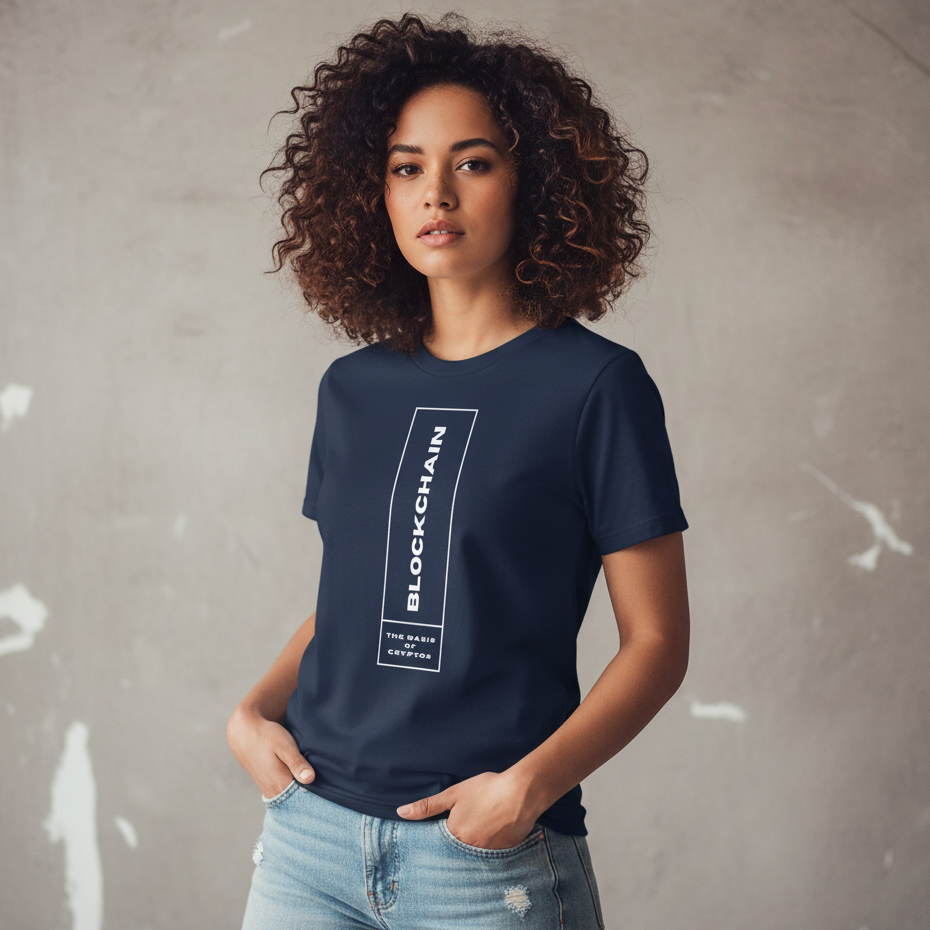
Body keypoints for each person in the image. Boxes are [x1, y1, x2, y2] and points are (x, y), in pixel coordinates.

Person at [227, 12, 690, 930]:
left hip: (483, 861)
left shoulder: (597, 387)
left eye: (472, 162)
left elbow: (657, 646)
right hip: (308, 842)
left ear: (535, 184)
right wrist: (251, 711)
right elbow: (356, 598)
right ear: (376, 194)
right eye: (406, 168)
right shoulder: (352, 388)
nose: (435, 191)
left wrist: (526, 789)